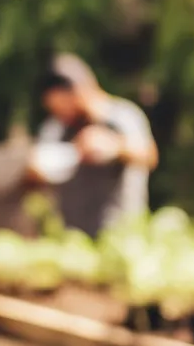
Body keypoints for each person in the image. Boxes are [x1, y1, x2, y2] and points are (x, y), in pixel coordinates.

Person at [26, 52, 158, 236]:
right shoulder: (57, 128)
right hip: (74, 237)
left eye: (66, 106)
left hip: (121, 234)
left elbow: (149, 155)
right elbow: (39, 167)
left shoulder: (121, 117)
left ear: (82, 91)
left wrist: (115, 146)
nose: (63, 115)